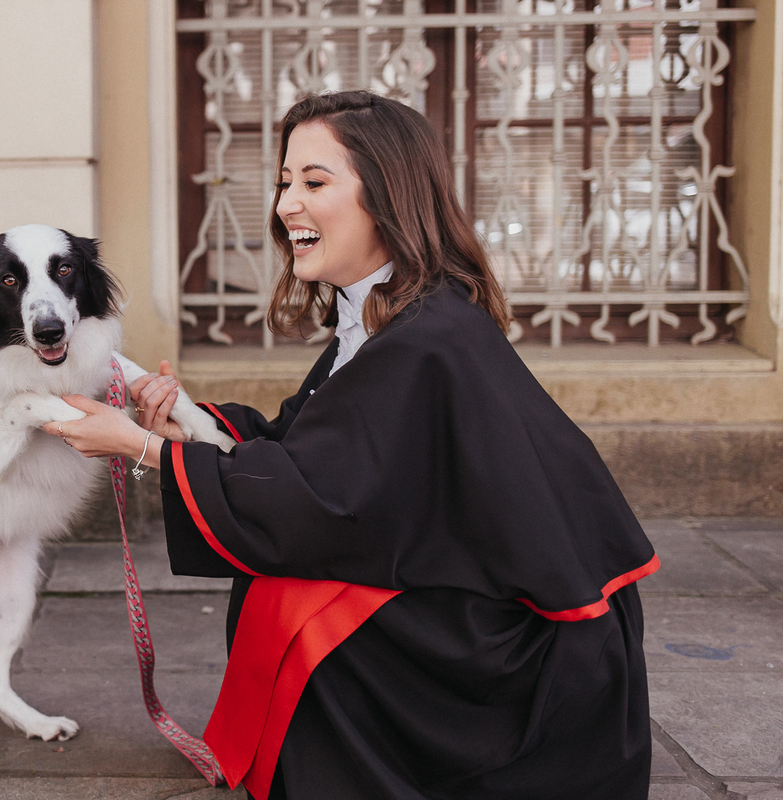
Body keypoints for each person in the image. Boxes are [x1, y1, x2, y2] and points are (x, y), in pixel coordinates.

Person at [43, 91, 658, 800]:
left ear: (387, 195)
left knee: (296, 603)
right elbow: (318, 451)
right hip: (490, 601)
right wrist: (185, 424)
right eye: (284, 183)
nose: (287, 206)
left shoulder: (424, 335)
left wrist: (140, 447)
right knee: (283, 574)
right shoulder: (392, 308)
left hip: (528, 657)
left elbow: (319, 501)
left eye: (314, 182)